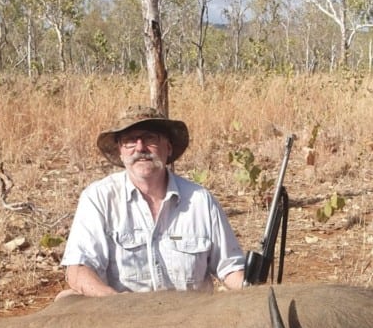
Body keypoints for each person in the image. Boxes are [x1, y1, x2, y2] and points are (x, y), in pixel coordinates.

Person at [59, 106, 246, 297]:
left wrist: (256, 292)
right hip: (123, 317)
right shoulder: (98, 198)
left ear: (168, 147)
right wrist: (115, 302)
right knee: (66, 300)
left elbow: (231, 268)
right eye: (130, 141)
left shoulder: (200, 200)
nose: (140, 148)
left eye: (150, 138)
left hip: (190, 320)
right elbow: (78, 270)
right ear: (120, 152)